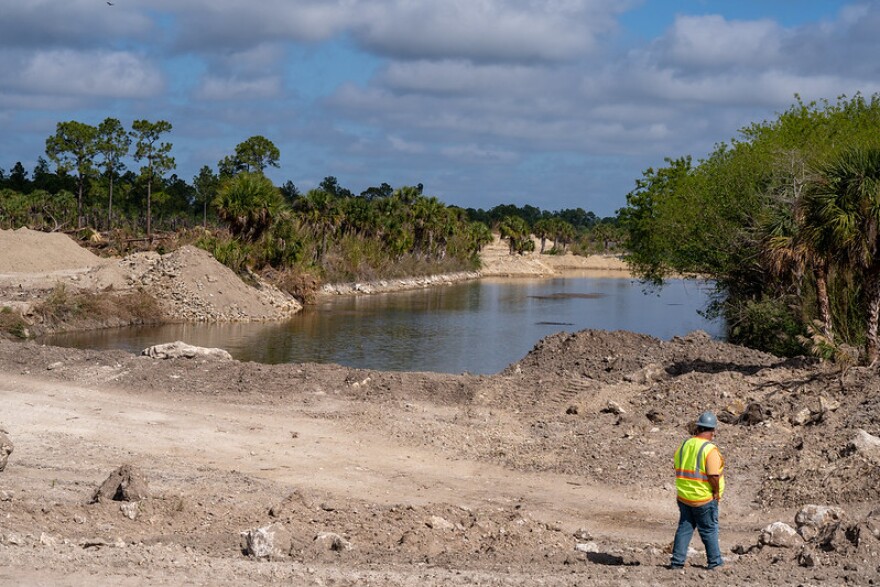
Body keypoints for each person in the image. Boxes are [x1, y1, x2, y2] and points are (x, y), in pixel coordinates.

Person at [670, 410, 725, 569]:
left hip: (684, 496)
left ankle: (677, 562)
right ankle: (715, 563)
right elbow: (713, 475)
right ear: (712, 431)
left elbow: (678, 466)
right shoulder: (709, 450)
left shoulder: (684, 445)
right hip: (703, 498)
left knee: (684, 528)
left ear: (699, 427)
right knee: (709, 530)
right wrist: (715, 492)